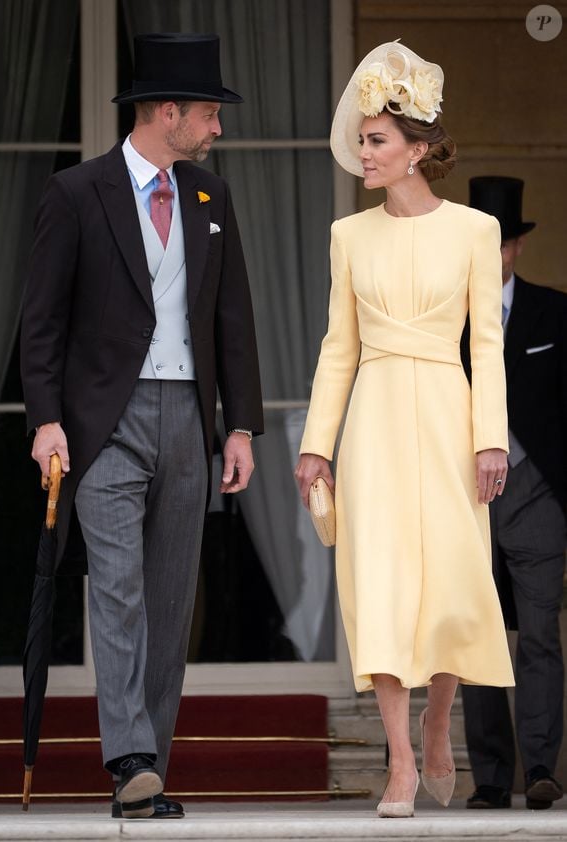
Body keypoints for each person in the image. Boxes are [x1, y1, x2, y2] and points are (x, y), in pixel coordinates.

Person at [20, 33, 263, 819]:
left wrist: (240, 429)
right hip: (105, 423)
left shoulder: (209, 197)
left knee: (168, 597)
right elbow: (42, 322)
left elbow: (233, 319)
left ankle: (148, 762)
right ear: (168, 113)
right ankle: (128, 759)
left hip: (188, 418)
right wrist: (47, 420)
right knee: (118, 591)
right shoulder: (75, 192)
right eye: (208, 114)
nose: (217, 128)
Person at [294, 41, 514, 818]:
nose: (363, 152)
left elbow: (487, 344)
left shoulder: (476, 231)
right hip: (377, 421)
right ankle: (396, 763)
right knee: (379, 586)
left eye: (377, 140)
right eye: (361, 139)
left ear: (419, 150)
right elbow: (338, 348)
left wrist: (492, 437)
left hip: (450, 416)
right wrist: (317, 442)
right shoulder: (347, 236)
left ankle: (437, 718)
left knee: (453, 581)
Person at [461, 176, 567, 811]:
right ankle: (493, 777)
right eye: (482, 241)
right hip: (466, 495)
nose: (492, 252)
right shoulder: (444, 320)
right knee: (476, 637)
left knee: (540, 634)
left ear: (517, 247)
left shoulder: (556, 312)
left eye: (502, 242)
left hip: (537, 495)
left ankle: (543, 769)